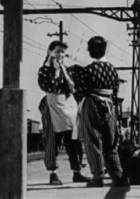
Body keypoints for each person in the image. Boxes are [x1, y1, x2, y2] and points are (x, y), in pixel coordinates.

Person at [72, 36, 129, 187]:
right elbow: (115, 90)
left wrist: (76, 75)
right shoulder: (112, 69)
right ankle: (117, 176)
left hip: (92, 104)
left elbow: (80, 92)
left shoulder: (87, 70)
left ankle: (98, 177)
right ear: (105, 49)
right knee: (111, 143)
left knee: (93, 141)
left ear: (90, 51)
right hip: (109, 105)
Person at [38, 40, 91, 185]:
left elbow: (73, 88)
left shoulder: (66, 69)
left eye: (62, 52)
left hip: (69, 106)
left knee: (74, 140)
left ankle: (77, 172)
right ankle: (52, 174)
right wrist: (55, 70)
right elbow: (51, 87)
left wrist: (63, 71)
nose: (60, 54)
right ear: (49, 52)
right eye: (57, 51)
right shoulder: (44, 70)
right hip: (52, 106)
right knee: (52, 141)